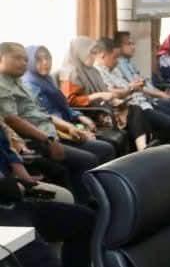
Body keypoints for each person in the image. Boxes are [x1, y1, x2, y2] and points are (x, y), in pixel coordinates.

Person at [0, 42, 107, 205]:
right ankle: (85, 206)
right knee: (87, 159)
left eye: (25, 59)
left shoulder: (18, 82)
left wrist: (69, 127)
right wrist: (48, 140)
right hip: (33, 141)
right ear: (1, 58)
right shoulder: (2, 85)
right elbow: (12, 120)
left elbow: (42, 113)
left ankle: (100, 197)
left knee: (104, 148)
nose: (23, 63)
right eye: (17, 58)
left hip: (50, 132)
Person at [96, 37, 170, 149]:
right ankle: (156, 148)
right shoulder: (100, 72)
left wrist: (136, 87)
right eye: (114, 57)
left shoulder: (116, 69)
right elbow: (113, 93)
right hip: (132, 106)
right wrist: (132, 88)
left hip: (143, 100)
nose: (117, 61)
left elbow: (134, 86)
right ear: (103, 56)